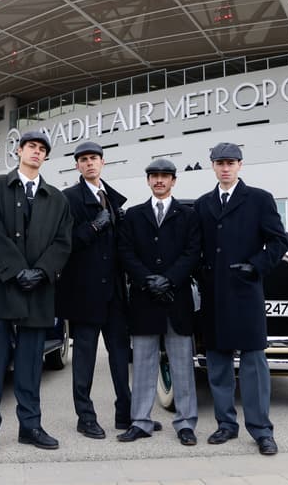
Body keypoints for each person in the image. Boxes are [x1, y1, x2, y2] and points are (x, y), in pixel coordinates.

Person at [0, 130, 72, 456]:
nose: (36, 152)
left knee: (31, 365)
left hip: (38, 291)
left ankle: (30, 427)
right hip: (0, 288)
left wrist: (41, 272)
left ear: (46, 156)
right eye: (31, 146)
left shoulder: (57, 199)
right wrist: (17, 272)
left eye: (42, 149)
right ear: (19, 150)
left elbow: (63, 242)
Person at [194, 142, 287, 456]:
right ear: (212, 166)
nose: (225, 168)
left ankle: (262, 431)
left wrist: (256, 266)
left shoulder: (259, 199)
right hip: (214, 294)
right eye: (220, 163)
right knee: (218, 364)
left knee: (253, 365)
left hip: (246, 292)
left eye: (230, 163)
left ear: (240, 165)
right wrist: (201, 272)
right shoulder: (203, 204)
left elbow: (278, 242)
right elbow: (195, 246)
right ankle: (225, 424)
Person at [117, 158, 201, 446]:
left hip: (177, 300)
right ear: (148, 181)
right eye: (154, 176)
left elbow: (193, 252)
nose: (159, 180)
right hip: (145, 300)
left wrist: (170, 280)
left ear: (174, 181)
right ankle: (140, 421)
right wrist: (147, 280)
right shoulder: (133, 215)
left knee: (182, 366)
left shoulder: (188, 215)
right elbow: (125, 252)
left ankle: (185, 423)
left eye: (165, 176)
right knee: (142, 365)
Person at [56, 141, 131, 439]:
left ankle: (125, 414)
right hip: (84, 293)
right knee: (84, 358)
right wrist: (94, 227)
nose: (89, 163)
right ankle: (85, 417)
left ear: (102, 162)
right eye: (84, 159)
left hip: (114, 293)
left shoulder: (111, 198)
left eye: (94, 158)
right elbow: (64, 243)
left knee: (120, 355)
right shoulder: (68, 198)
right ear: (77, 165)